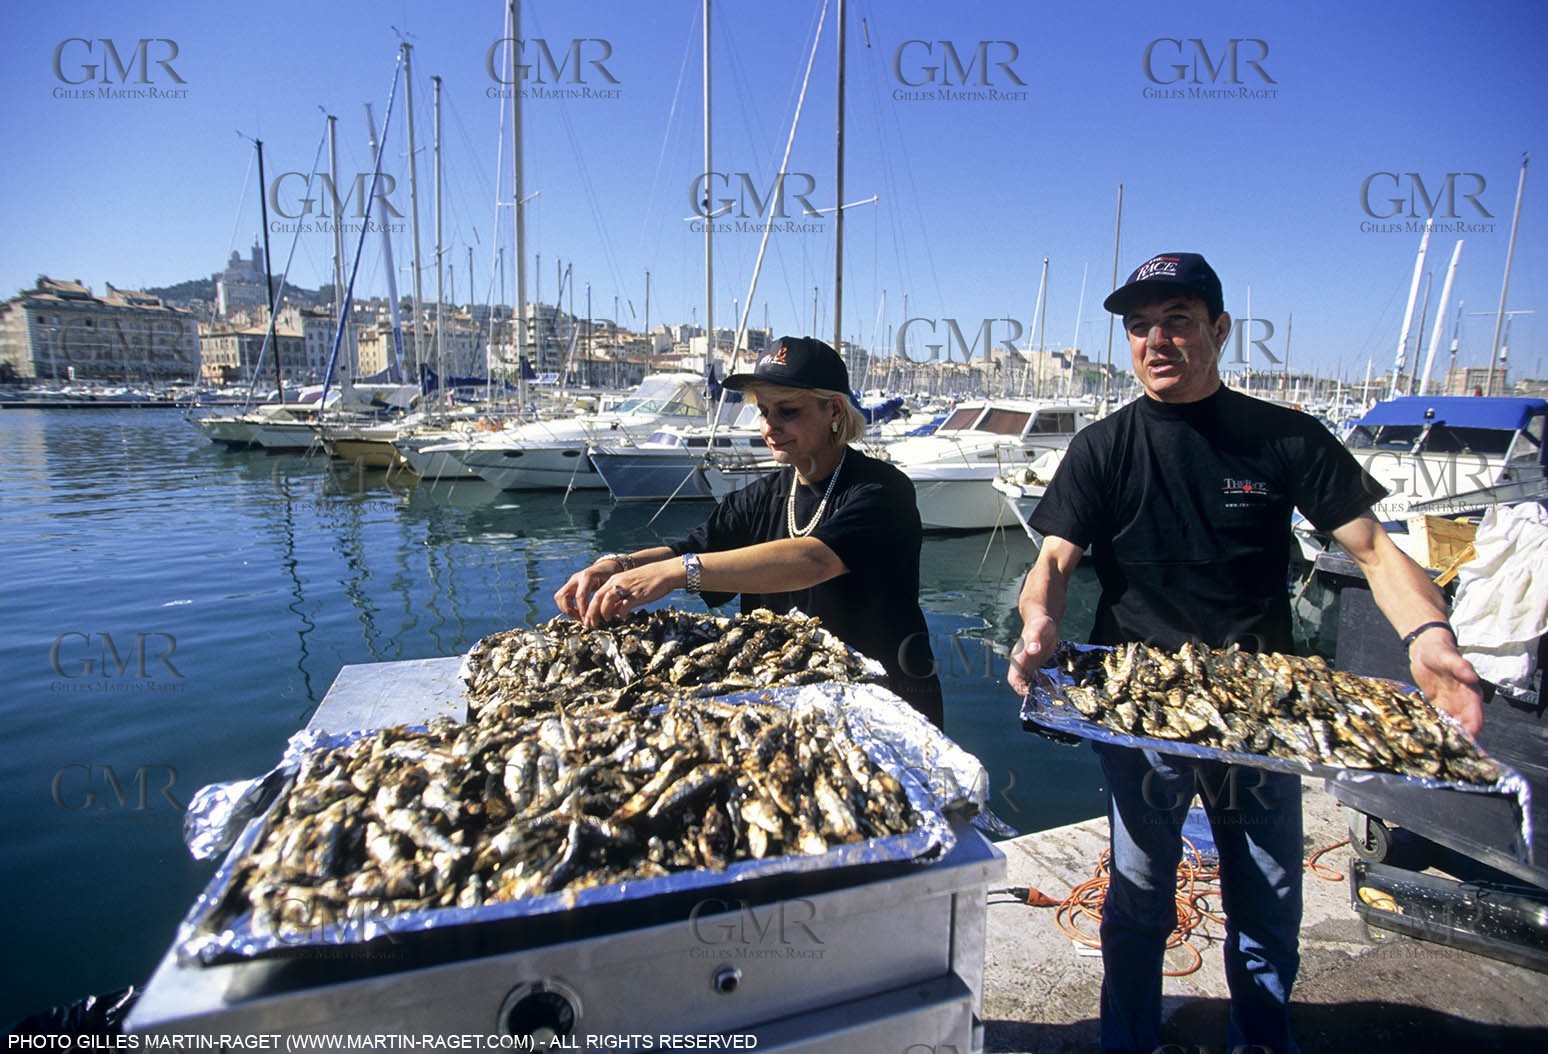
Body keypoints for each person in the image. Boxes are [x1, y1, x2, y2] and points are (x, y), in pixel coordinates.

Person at [1006, 252, 1482, 1054]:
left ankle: (1260, 1038)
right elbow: (1052, 564)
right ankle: (1129, 1040)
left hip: (1264, 708)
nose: (1157, 340)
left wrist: (1430, 638)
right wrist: (1037, 623)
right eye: (1139, 326)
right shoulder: (1104, 447)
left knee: (1267, 894)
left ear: (1219, 331)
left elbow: (1372, 551)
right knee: (1141, 893)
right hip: (1143, 708)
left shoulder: (1285, 437)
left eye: (1179, 321)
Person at [554, 335, 944, 727]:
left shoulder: (882, 490)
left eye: (788, 411)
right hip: (790, 707)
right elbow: (691, 548)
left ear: (835, 411)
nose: (770, 426)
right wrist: (617, 565)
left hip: (884, 707)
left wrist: (674, 575)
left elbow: (814, 559)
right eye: (764, 411)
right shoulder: (760, 496)